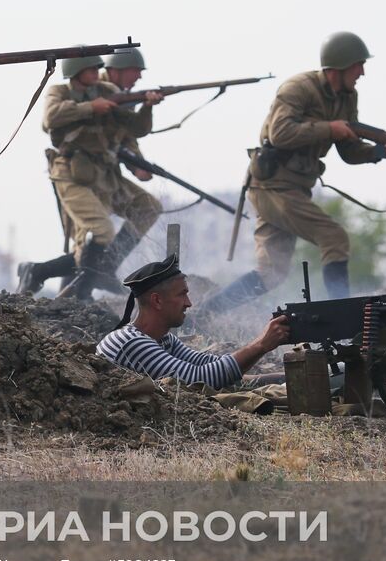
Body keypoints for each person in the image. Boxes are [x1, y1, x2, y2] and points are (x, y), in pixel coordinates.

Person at [205, 31, 386, 313]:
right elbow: (280, 133)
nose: (362, 72)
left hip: (294, 190)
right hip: (272, 186)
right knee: (334, 238)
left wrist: (380, 152)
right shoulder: (297, 88)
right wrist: (329, 128)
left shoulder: (347, 97)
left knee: (271, 273)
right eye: (358, 65)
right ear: (340, 66)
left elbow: (349, 150)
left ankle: (207, 313)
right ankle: (342, 314)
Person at [16, 48, 163, 299]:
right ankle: (76, 291)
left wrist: (147, 107)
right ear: (76, 72)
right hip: (73, 174)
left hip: (105, 174)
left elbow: (133, 130)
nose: (98, 73)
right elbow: (50, 118)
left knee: (146, 207)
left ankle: (98, 269)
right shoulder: (60, 93)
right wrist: (90, 108)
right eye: (93, 69)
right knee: (96, 235)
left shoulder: (109, 94)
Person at [98, 256, 290, 387]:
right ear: (157, 300)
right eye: (182, 295)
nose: (189, 303)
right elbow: (199, 379)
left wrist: (281, 378)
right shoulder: (131, 342)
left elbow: (209, 364)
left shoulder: (163, 339)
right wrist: (262, 344)